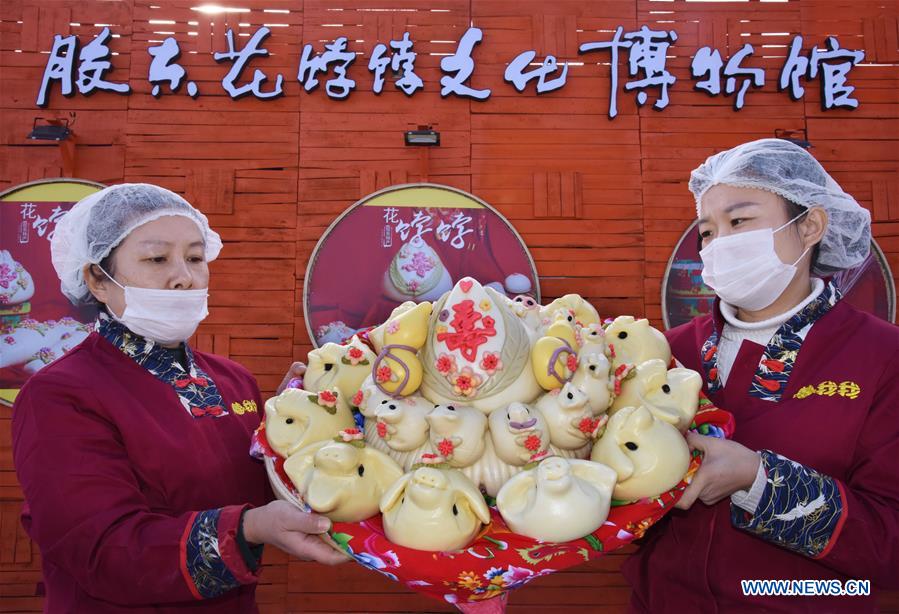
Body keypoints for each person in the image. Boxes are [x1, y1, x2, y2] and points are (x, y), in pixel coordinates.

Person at [12, 184, 346, 614]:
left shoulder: (233, 380)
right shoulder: (60, 393)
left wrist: (299, 429)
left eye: (194, 258)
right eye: (156, 259)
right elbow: (102, 549)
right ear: (97, 279)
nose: (184, 276)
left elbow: (270, 489)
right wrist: (247, 528)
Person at [624, 138, 899, 611]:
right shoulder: (671, 351)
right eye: (707, 230)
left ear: (810, 225)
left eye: (740, 220)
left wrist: (758, 481)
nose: (719, 243)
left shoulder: (883, 357)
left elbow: (890, 546)